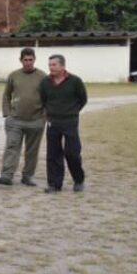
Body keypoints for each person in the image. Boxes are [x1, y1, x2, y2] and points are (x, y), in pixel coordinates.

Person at [0, 48, 47, 187]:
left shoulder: (43, 77)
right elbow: (6, 95)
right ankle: (6, 175)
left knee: (32, 151)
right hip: (15, 120)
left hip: (36, 120)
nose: (28, 63)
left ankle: (28, 176)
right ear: (21, 60)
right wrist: (7, 113)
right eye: (25, 60)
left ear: (34, 59)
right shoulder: (14, 76)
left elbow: (49, 97)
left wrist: (44, 116)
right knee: (11, 147)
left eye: (30, 60)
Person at [39, 54, 88, 193]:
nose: (51, 67)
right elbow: (43, 99)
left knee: (72, 153)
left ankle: (78, 180)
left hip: (70, 121)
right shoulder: (45, 82)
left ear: (62, 66)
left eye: (54, 65)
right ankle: (54, 184)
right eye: (49, 65)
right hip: (53, 122)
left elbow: (83, 99)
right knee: (53, 154)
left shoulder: (75, 81)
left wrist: (72, 111)